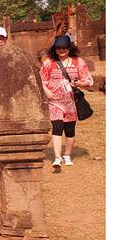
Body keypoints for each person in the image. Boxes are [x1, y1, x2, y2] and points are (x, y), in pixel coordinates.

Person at [40, 34, 93, 170]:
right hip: (54, 101)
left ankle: (67, 155)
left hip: (71, 102)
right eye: (58, 48)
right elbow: (40, 79)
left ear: (70, 48)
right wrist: (46, 90)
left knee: (70, 130)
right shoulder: (49, 63)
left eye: (64, 48)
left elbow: (89, 80)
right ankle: (57, 157)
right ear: (54, 49)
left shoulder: (78, 62)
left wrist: (80, 83)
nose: (61, 51)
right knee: (57, 127)